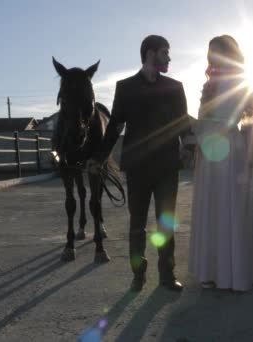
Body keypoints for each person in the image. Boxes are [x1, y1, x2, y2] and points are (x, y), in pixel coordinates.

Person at [94, 35, 192, 292]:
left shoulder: (175, 87)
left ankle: (167, 275)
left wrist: (191, 149)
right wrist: (100, 157)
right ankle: (138, 275)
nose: (169, 57)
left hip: (167, 167)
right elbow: (115, 125)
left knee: (166, 223)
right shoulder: (125, 87)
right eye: (165, 52)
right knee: (137, 225)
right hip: (137, 168)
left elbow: (183, 124)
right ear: (150, 53)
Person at [188, 35, 253, 292]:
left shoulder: (240, 82)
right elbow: (202, 117)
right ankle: (212, 272)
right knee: (213, 208)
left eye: (216, 52)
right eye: (210, 53)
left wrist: (203, 129)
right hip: (210, 150)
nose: (212, 58)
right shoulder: (209, 85)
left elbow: (231, 118)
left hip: (225, 148)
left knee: (230, 207)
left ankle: (232, 274)